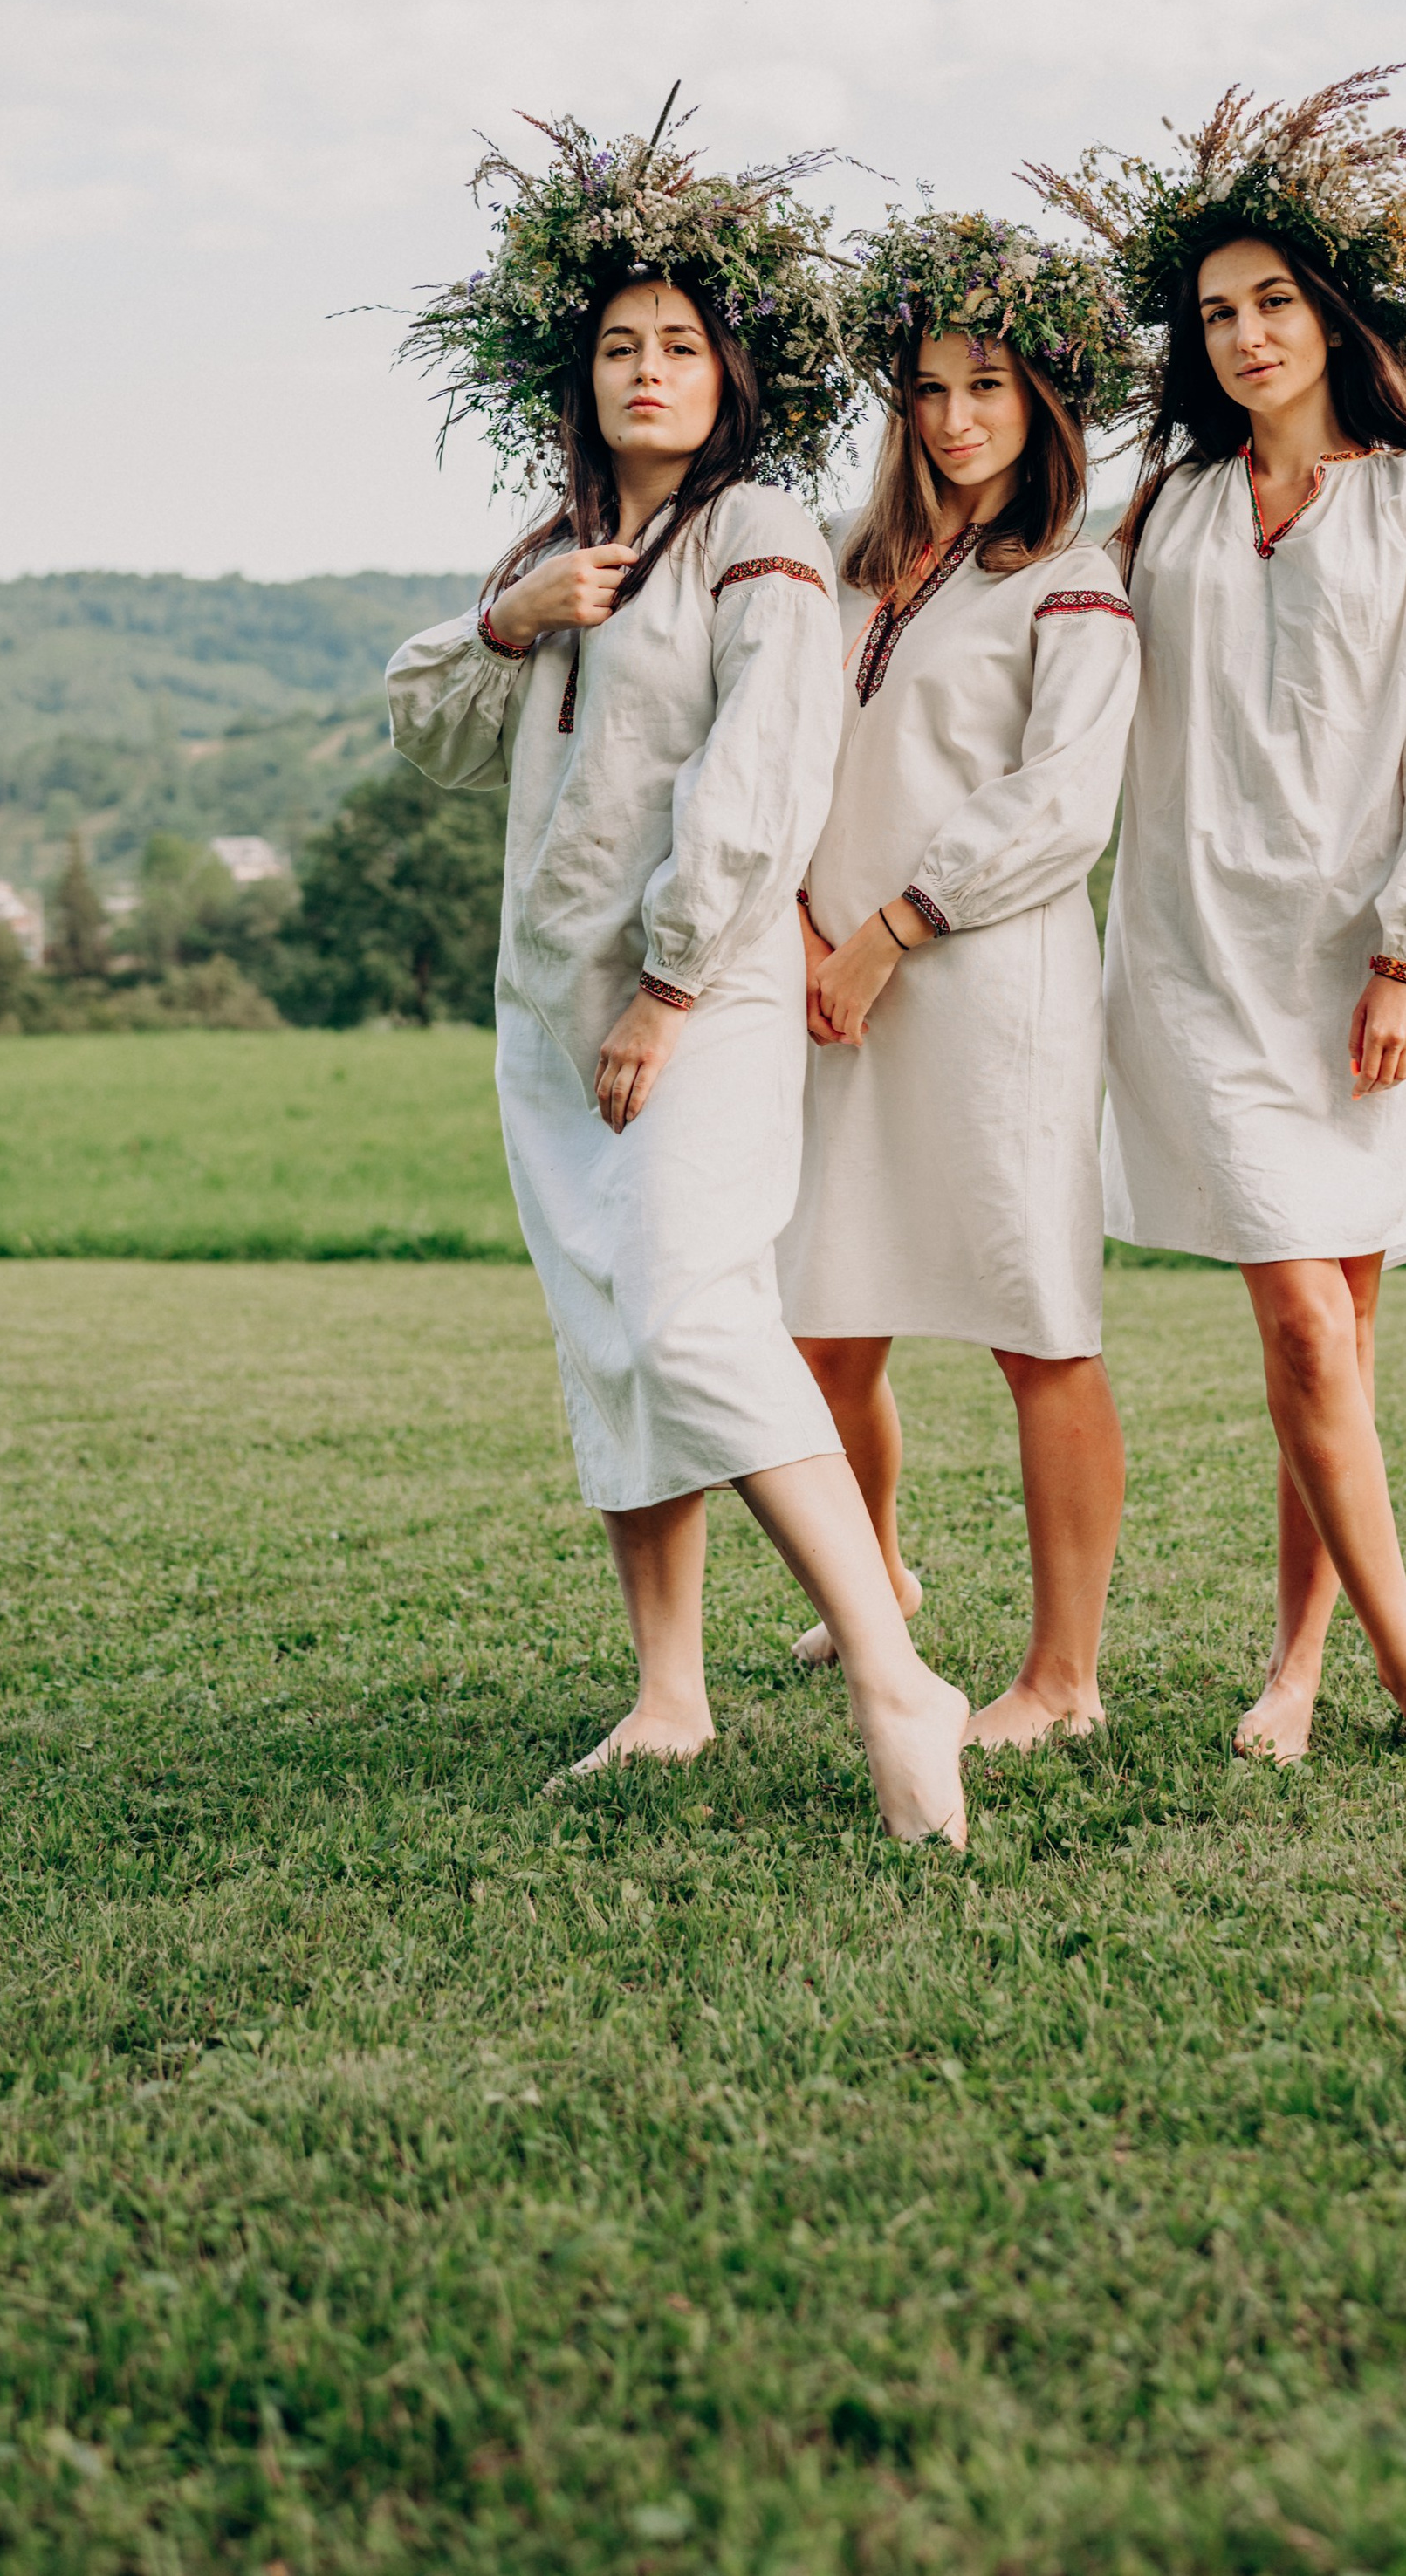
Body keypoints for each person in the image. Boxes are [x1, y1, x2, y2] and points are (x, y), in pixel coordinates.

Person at [385, 110, 972, 1846]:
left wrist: (664, 984)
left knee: (691, 1305)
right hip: (540, 1018)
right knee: (610, 1341)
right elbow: (424, 725)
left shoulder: (760, 533)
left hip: (689, 1006)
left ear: (731, 374)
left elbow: (761, 781)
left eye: (679, 346)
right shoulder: (556, 551)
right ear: (575, 381)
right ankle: (668, 1692)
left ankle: (888, 1662)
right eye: (618, 348)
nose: (649, 369)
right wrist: (517, 617)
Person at [1024, 70, 1406, 1772]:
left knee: (1338, 1335)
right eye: (1215, 312)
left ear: (1332, 313)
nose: (1244, 333)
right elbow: (1056, 674)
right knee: (1299, 1317)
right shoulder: (1158, 509)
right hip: (1189, 968)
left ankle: (1299, 1666)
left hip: (1361, 973)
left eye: (1271, 301)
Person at [778, 211, 1142, 1750]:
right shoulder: (845, 576)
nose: (953, 417)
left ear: (1040, 400)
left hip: (991, 997)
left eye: (985, 384)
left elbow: (1064, 801)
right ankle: (878, 1582)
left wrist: (890, 927)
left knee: (1035, 1325)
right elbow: (788, 756)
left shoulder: (1067, 579)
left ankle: (1065, 1677)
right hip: (823, 986)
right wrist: (801, 922)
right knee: (819, 1330)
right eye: (926, 389)